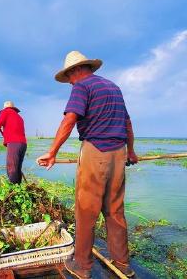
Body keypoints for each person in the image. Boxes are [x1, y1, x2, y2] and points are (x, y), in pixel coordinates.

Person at [36, 51, 138, 279]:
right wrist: (130, 151)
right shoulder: (113, 87)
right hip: (118, 153)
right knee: (114, 211)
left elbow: (69, 119)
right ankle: (123, 264)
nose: (69, 82)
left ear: (75, 71)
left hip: (96, 153)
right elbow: (127, 122)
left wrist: (52, 152)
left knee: (86, 211)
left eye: (69, 76)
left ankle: (82, 266)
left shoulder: (81, 86)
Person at [0, 101, 27, 184]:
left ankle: (13, 189)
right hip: (23, 144)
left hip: (14, 143)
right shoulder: (19, 117)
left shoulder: (6, 111)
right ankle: (18, 189)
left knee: (11, 168)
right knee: (17, 168)